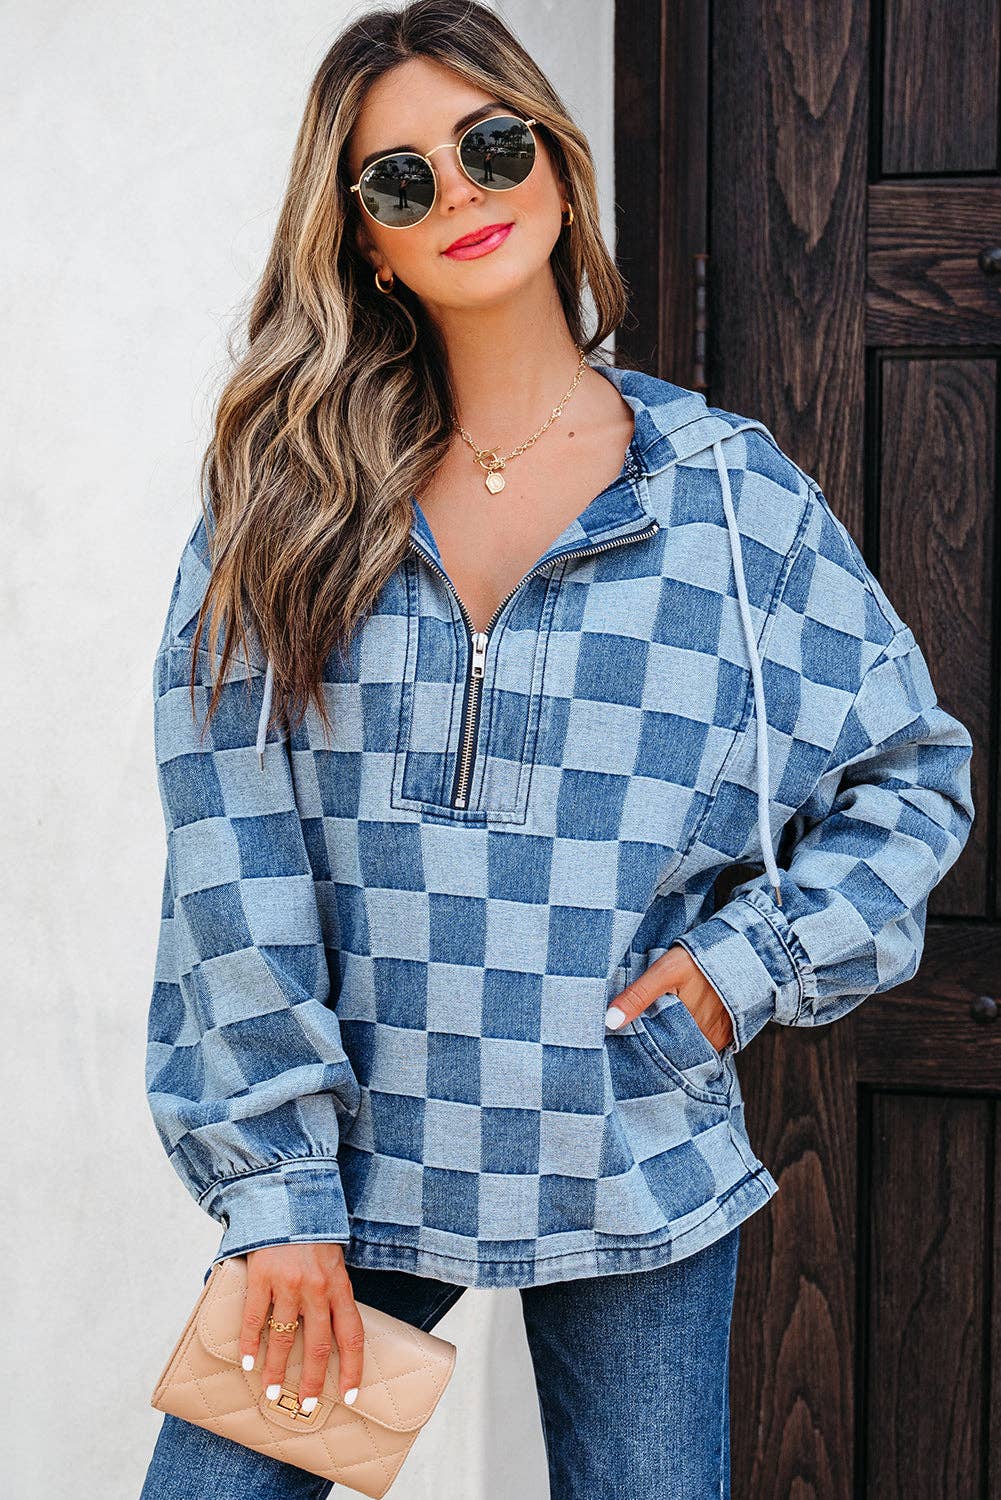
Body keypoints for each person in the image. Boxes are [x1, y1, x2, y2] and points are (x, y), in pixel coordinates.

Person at [139, 3, 975, 1497]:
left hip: (626, 1139)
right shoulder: (289, 498)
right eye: (402, 180)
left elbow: (908, 778)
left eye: (491, 145)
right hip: (349, 1162)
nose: (460, 194)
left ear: (555, 161)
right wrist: (276, 1188)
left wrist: (740, 971)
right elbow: (229, 847)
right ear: (362, 241)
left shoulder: (728, 501)